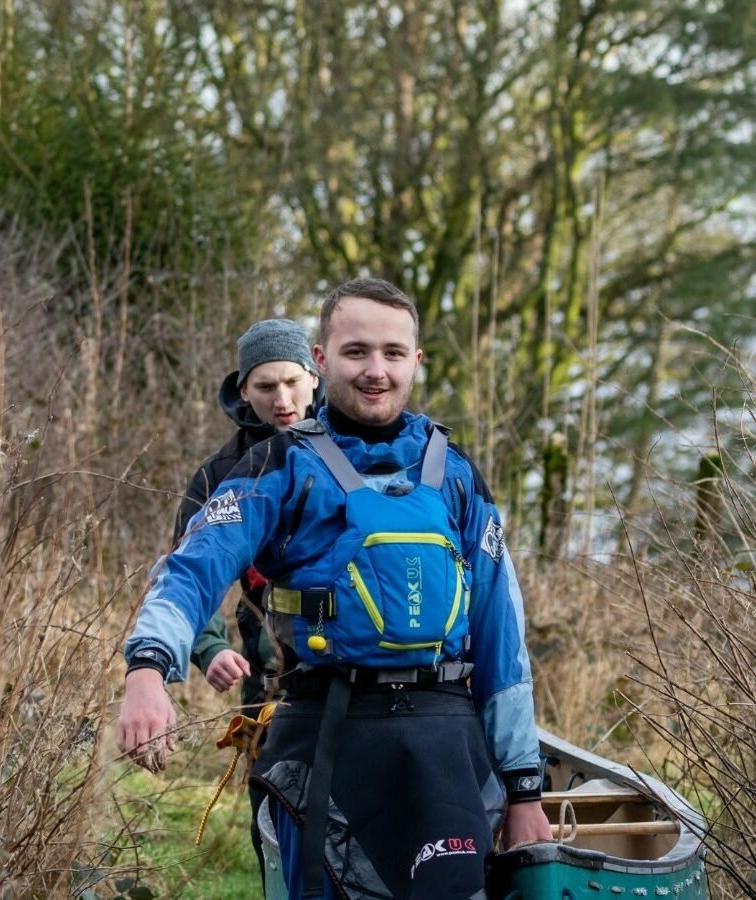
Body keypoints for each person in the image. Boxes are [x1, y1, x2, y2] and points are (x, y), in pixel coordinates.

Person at [117, 277, 552, 899]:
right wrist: (147, 671)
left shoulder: (455, 474)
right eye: (356, 352)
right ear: (321, 360)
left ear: (415, 362)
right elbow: (192, 568)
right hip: (327, 739)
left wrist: (524, 790)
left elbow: (503, 641)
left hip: (447, 749)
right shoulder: (277, 467)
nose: (376, 371)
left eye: (393, 353)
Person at [175, 318, 322, 882]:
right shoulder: (218, 475)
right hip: (271, 685)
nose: (282, 400)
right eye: (265, 387)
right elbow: (181, 576)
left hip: (365, 677)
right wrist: (208, 648)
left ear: (315, 375)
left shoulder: (358, 449)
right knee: (277, 831)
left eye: (291, 382)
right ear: (243, 390)